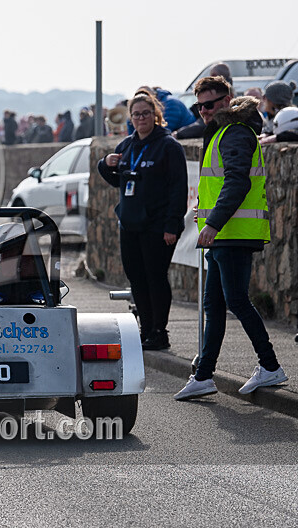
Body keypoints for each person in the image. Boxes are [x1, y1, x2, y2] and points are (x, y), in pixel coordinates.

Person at [174, 76, 288, 401]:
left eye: (210, 104)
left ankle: (270, 366)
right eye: (199, 106)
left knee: (235, 300)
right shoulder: (224, 131)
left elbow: (237, 182)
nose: (204, 111)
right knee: (215, 303)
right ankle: (204, 375)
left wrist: (213, 223)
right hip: (226, 233)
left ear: (227, 100)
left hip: (233, 232)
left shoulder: (235, 132)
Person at [97, 89, 187, 350]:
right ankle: (145, 330)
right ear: (130, 118)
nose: (140, 119)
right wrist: (105, 164)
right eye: (136, 115)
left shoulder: (168, 146)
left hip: (158, 225)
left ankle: (160, 332)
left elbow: (178, 188)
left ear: (155, 115)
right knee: (136, 277)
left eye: (145, 113)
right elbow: (120, 181)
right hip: (130, 224)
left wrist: (172, 225)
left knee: (155, 277)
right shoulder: (126, 146)